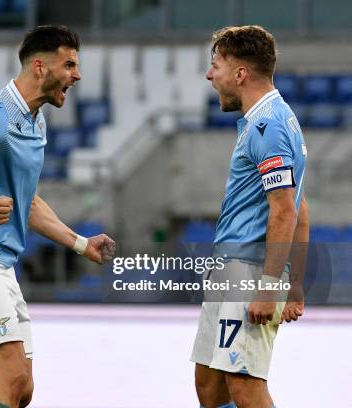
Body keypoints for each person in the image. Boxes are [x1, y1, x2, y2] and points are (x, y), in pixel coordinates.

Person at [0, 25, 116, 408]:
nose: (77, 75)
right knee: (12, 380)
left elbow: (28, 202)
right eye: (69, 65)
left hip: (1, 265)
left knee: (22, 392)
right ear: (40, 67)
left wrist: (81, 244)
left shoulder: (36, 122)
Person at [190, 26, 309, 408]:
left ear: (240, 74)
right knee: (209, 386)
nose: (211, 76)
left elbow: (285, 210)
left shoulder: (268, 125)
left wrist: (270, 284)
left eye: (216, 66)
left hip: (249, 271)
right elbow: (301, 209)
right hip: (232, 271)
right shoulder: (267, 120)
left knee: (244, 386)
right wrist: (296, 285)